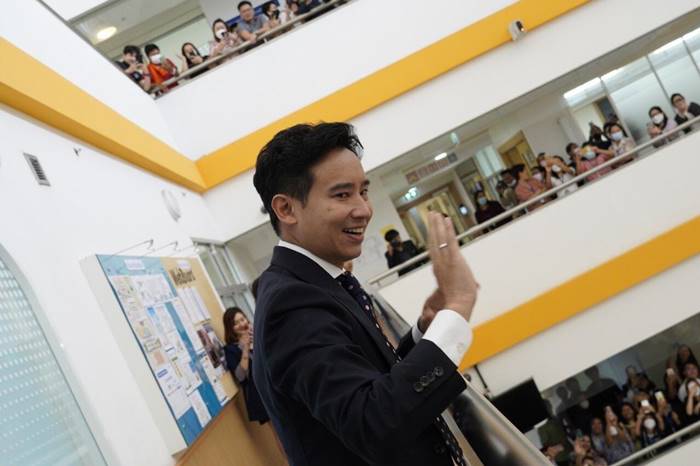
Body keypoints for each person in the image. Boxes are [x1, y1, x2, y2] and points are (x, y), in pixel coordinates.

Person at [251, 122, 479, 466]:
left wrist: (424, 332)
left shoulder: (319, 281)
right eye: (342, 195)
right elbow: (371, 423)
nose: (364, 209)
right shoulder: (291, 303)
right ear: (286, 209)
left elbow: (365, 379)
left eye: (363, 191)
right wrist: (459, 306)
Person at [222, 307, 270, 424]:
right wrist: (245, 349)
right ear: (230, 328)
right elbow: (241, 376)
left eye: (242, 319)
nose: (242, 324)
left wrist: (258, 339)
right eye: (236, 323)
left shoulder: (257, 334)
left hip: (276, 384)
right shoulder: (231, 349)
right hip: (260, 394)